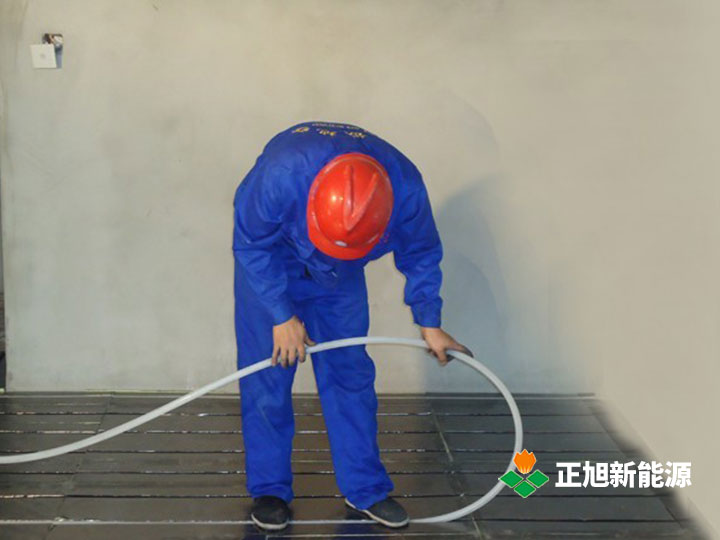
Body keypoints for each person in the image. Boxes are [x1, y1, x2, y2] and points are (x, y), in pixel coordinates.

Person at [233, 121, 469, 531]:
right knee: (267, 379)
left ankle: (366, 489)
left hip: (340, 276)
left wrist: (429, 321)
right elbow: (251, 243)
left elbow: (421, 252)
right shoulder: (280, 174)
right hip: (272, 264)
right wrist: (280, 315)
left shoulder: (405, 188)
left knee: (350, 375)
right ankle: (270, 490)